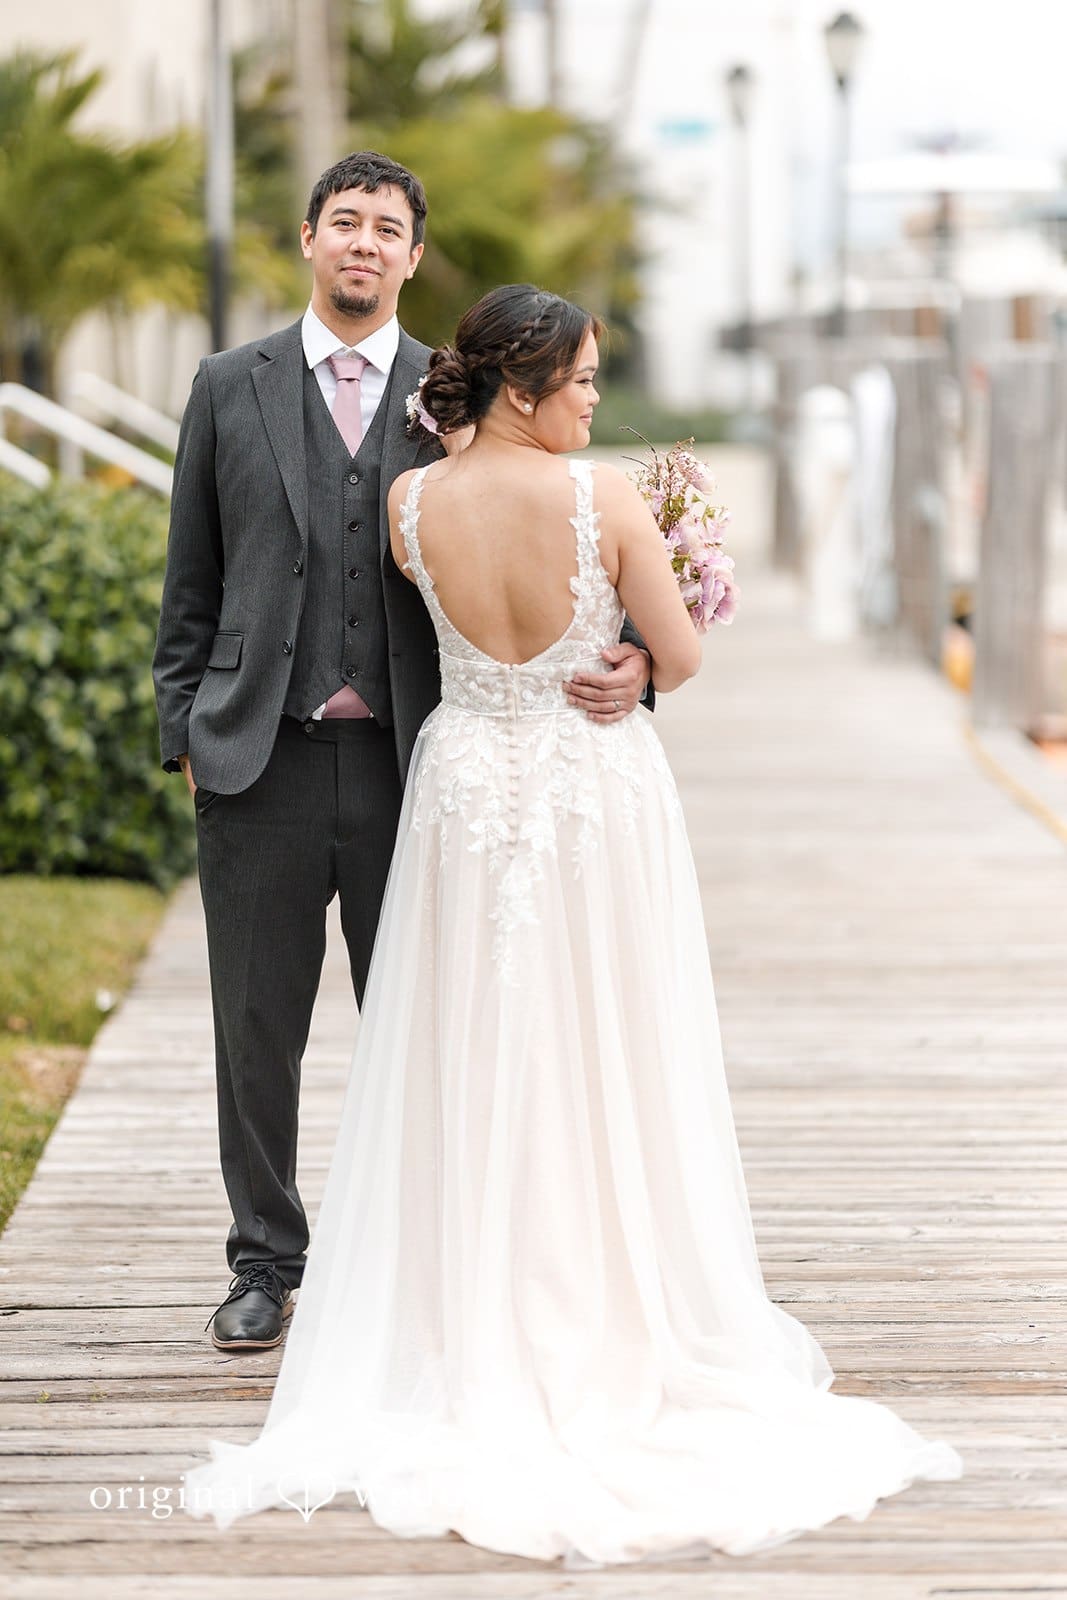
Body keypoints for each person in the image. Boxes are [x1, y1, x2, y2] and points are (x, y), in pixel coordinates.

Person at [182, 284, 962, 1565]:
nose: (595, 399)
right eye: (586, 379)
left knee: (471, 1042)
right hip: (588, 792)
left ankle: (463, 1299)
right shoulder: (600, 499)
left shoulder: (408, 503)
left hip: (460, 788)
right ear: (525, 384)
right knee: (607, 1041)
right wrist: (648, 659)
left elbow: (429, 641)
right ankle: (604, 1300)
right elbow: (679, 652)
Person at [152, 155, 652, 1352]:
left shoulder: (457, 396)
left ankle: (423, 1265)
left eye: (387, 229)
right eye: (344, 223)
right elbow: (190, 585)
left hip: (415, 764)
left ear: (414, 257)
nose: (364, 245)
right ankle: (264, 1261)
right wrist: (186, 733)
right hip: (256, 764)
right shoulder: (229, 386)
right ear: (309, 240)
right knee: (254, 1031)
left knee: (429, 1018)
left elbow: (561, 532)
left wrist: (631, 654)